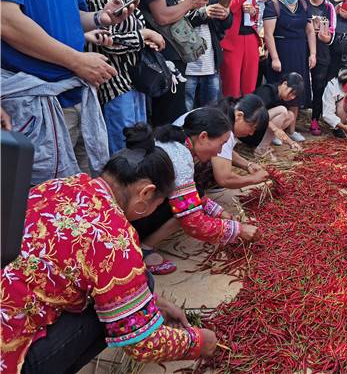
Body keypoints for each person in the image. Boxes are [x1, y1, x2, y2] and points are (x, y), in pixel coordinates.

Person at [0, 123, 217, 373]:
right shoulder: (115, 238)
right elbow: (144, 344)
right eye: (159, 203)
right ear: (146, 193)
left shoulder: (62, 185)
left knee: (134, 288)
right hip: (10, 356)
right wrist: (199, 342)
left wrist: (152, 303)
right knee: (137, 289)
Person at [1, 0, 139, 184]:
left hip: (75, 97)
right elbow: (7, 21)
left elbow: (71, 15)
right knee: (40, 200)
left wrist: (101, 17)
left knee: (79, 190)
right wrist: (76, 61)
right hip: (33, 104)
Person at [132, 107, 259, 273]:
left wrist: (220, 213)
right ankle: (142, 249)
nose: (219, 152)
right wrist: (239, 230)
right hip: (132, 216)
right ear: (203, 136)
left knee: (187, 203)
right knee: (185, 212)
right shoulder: (180, 158)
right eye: (220, 144)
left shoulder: (178, 141)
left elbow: (192, 192)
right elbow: (193, 223)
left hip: (137, 207)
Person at [84, 0, 165, 155]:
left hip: (132, 80)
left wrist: (147, 36)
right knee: (124, 150)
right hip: (114, 83)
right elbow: (107, 39)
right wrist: (145, 36)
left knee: (139, 145)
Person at [126, 0, 207, 126]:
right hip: (164, 56)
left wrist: (184, 3)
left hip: (155, 55)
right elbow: (162, 16)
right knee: (169, 121)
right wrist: (188, 3)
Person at [171, 0, 232, 109]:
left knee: (211, 113)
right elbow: (170, 20)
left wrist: (225, 15)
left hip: (209, 62)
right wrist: (202, 13)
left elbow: (227, 24)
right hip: (185, 64)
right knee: (185, 113)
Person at [264, 0, 317, 123]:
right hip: (281, 51)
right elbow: (268, 33)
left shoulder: (303, 4)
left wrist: (313, 53)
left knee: (297, 92)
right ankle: (276, 128)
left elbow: (309, 30)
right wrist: (274, 58)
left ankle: (292, 128)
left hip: (300, 51)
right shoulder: (273, 5)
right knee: (280, 90)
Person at [178, 96, 270, 189]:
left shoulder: (223, 114)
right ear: (239, 116)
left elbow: (225, 151)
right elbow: (224, 179)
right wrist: (253, 179)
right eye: (252, 127)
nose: (251, 133)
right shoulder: (224, 128)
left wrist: (247, 165)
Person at [213, 0, 261, 97]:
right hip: (231, 40)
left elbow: (254, 6)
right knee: (232, 89)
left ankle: (250, 120)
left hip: (250, 37)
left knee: (250, 88)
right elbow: (224, 8)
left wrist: (253, 11)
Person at [306, 0, 336, 136]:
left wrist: (325, 36)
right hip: (303, 49)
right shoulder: (303, 2)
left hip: (322, 51)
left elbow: (332, 33)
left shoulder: (328, 7)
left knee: (319, 86)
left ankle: (315, 118)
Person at [247, 72, 306, 157]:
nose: (292, 97)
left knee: (290, 115)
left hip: (259, 131)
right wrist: (275, 129)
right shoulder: (266, 91)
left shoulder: (283, 99)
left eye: (295, 96)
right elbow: (256, 114)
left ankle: (263, 145)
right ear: (284, 84)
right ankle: (261, 149)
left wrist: (291, 143)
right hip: (248, 129)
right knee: (282, 110)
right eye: (292, 93)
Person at [322, 68, 347, 138]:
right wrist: (343, 126)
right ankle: (339, 128)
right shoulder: (332, 87)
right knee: (343, 102)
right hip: (341, 115)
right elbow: (327, 114)